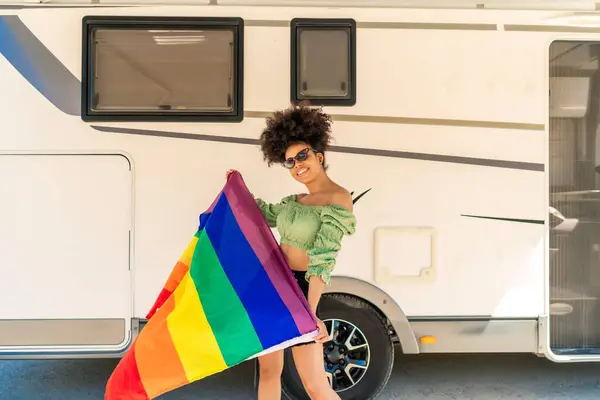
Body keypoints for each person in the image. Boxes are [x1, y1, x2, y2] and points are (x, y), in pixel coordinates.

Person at [225, 102, 357, 400]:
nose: (298, 164)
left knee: (314, 385)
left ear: (319, 155)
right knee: (270, 373)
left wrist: (310, 312)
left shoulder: (338, 198)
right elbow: (259, 214)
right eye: (289, 161)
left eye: (303, 155)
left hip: (300, 289)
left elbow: (324, 259)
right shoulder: (293, 201)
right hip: (269, 284)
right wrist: (237, 188)